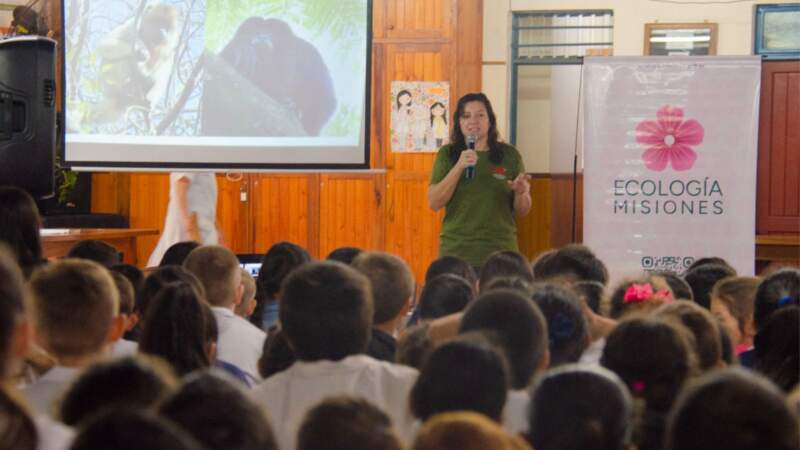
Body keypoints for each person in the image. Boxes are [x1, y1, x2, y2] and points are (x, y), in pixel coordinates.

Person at [427, 93, 531, 269]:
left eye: (480, 115)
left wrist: (522, 192)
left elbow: (523, 210)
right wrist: (459, 166)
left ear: (490, 120)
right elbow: (434, 202)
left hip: (501, 253)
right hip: (457, 252)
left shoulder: (510, 155)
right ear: (459, 123)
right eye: (466, 116)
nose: (473, 120)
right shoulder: (447, 154)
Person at [147, 173, 219, 267]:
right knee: (181, 267)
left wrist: (218, 230)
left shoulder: (209, 166)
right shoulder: (190, 159)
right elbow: (181, 187)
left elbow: (207, 204)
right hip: (188, 229)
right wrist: (190, 230)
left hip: (202, 228)